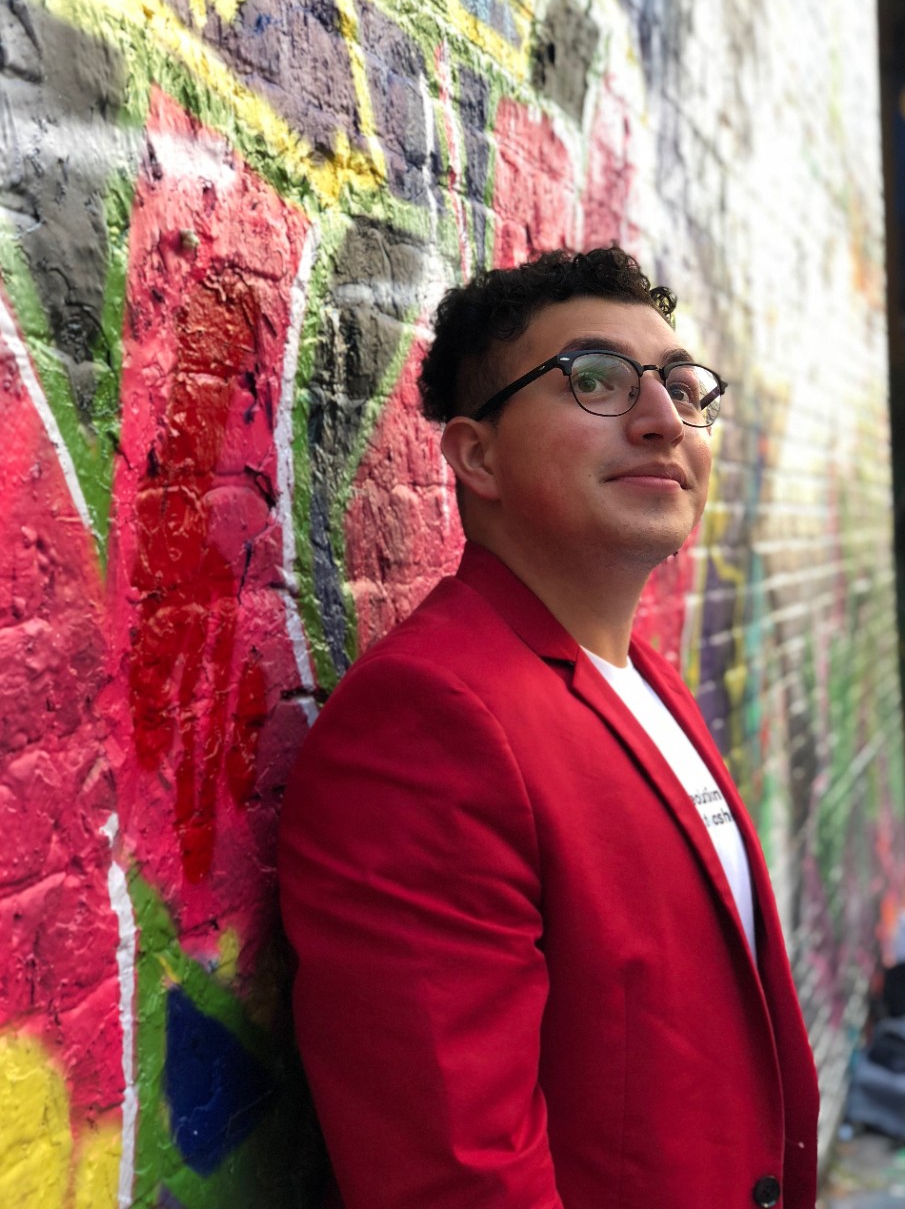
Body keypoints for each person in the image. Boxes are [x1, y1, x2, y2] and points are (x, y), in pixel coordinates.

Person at [278, 246, 819, 1209]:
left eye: (685, 389)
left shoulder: (645, 681)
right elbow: (454, 1178)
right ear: (475, 454)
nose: (663, 421)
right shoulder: (428, 724)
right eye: (597, 382)